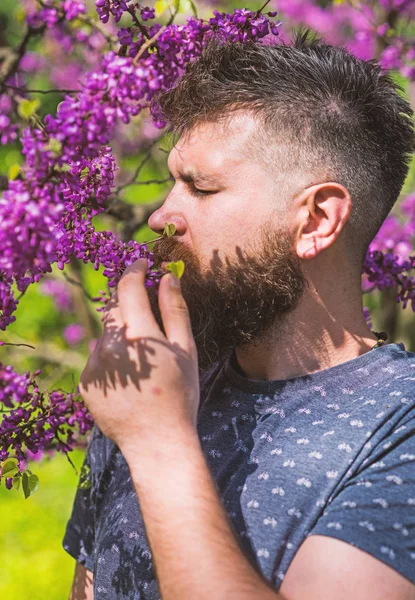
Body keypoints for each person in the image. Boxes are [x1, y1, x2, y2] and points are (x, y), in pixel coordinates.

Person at [63, 32, 415, 600]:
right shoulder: (165, 380)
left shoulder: (399, 428)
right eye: (172, 181)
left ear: (317, 220)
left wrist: (157, 442)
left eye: (200, 188)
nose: (160, 217)